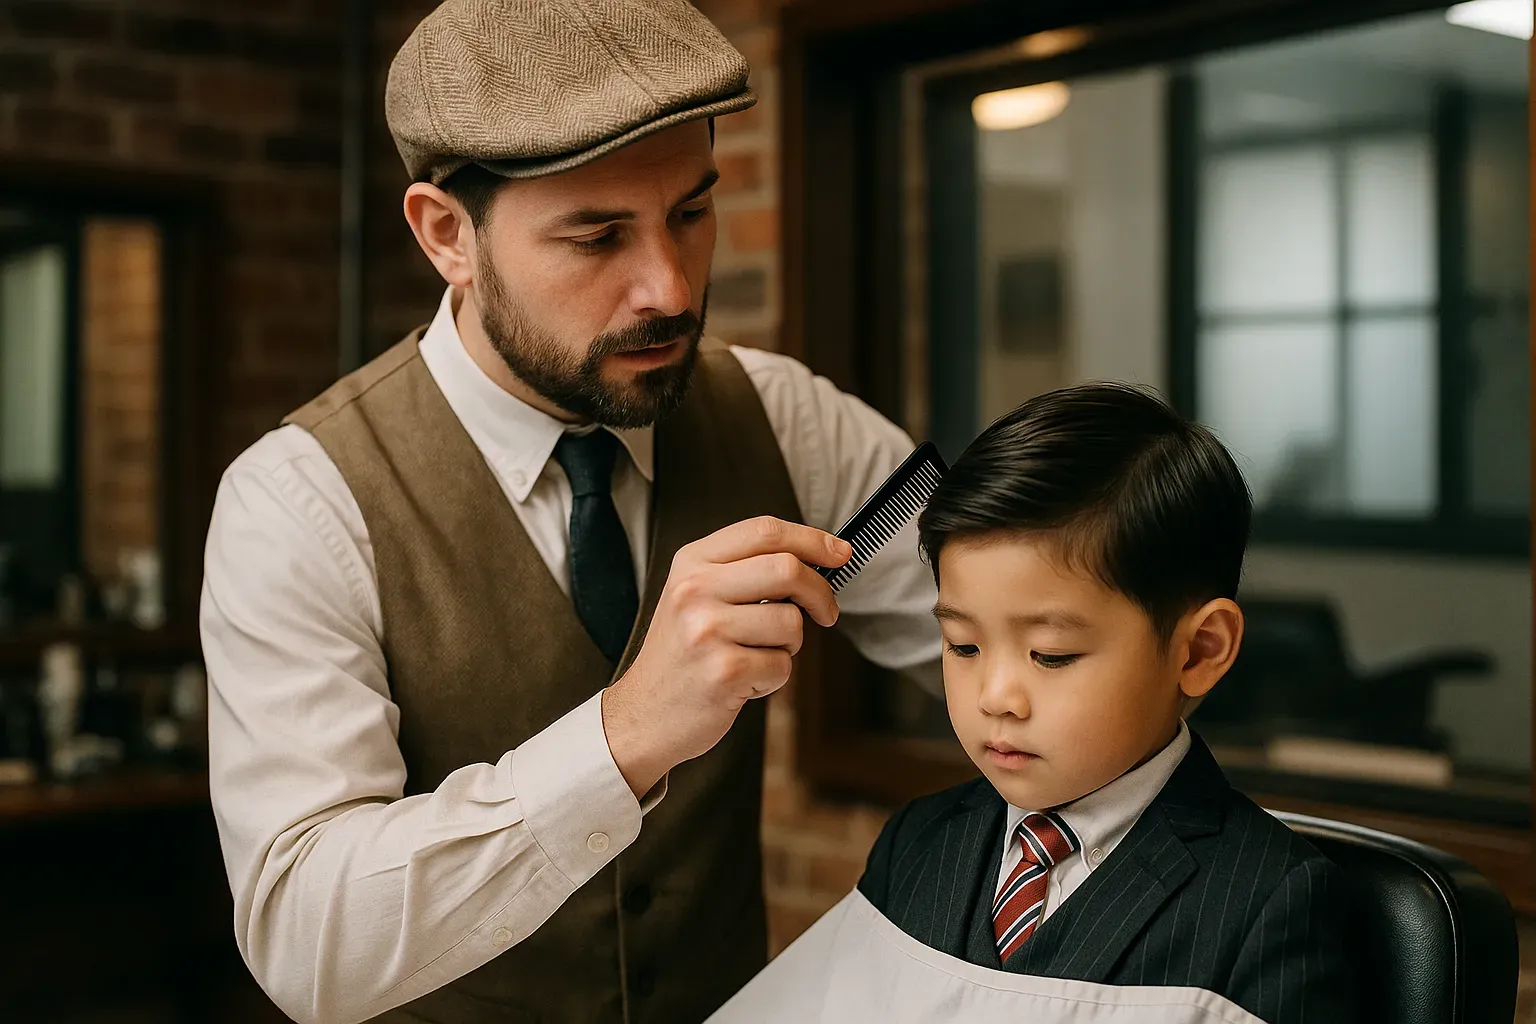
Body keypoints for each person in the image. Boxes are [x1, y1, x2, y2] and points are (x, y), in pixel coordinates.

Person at [198, 2, 939, 1022]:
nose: (670, 289)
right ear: (446, 233)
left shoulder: (785, 417)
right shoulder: (297, 502)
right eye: (597, 236)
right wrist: (625, 733)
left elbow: (999, 624)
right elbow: (307, 943)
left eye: (691, 213)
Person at [848, 384, 1358, 1022]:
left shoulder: (1268, 903)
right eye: (963, 645)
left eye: (1051, 655)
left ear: (1198, 650)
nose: (996, 697)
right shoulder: (916, 843)